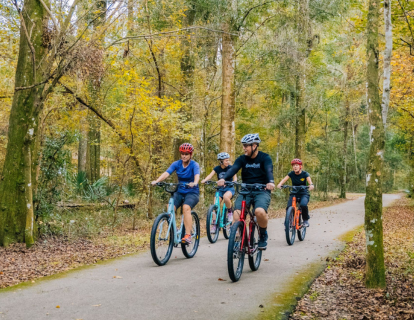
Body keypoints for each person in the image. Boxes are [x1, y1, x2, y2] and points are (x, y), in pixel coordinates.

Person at [217, 134, 275, 250]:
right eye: (243, 146)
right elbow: (233, 169)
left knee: (259, 212)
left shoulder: (265, 158)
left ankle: (263, 235)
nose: (244, 148)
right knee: (237, 214)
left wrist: (270, 182)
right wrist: (224, 179)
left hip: (261, 191)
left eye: (246, 146)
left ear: (254, 146)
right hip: (245, 191)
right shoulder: (242, 159)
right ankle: (240, 237)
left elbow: (269, 170)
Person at [151, 143, 200, 244]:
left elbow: (197, 176)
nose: (184, 156)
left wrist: (194, 183)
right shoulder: (176, 164)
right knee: (170, 207)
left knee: (186, 208)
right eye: (182, 153)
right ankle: (174, 229)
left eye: (186, 154)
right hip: (179, 191)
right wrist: (157, 181)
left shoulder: (194, 165)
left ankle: (187, 235)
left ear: (191, 154)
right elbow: (167, 173)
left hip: (192, 192)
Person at [201, 152, 237, 233]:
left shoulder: (230, 168)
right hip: (220, 189)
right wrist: (204, 180)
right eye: (226, 160)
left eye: (228, 160)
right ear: (221, 162)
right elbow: (210, 175)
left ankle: (230, 212)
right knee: (215, 207)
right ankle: (214, 225)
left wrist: (234, 182)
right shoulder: (217, 168)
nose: (228, 162)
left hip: (229, 188)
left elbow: (235, 177)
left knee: (226, 197)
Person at [276, 158, 314, 227]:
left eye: (296, 165)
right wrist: (280, 184)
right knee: (289, 207)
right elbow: (284, 179)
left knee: (303, 205)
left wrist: (311, 185)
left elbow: (309, 181)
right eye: (293, 165)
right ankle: (288, 221)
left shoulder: (305, 174)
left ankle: (305, 220)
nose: (295, 167)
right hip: (294, 192)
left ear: (300, 166)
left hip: (303, 193)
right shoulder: (291, 173)